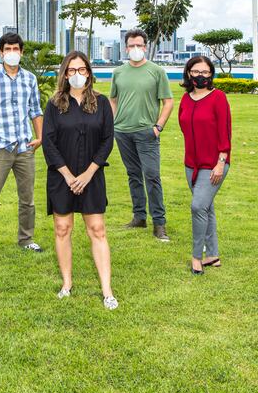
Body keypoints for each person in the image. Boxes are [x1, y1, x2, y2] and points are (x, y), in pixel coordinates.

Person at [42, 51, 118, 310]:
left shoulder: (101, 102)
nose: (77, 75)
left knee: (97, 229)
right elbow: (49, 143)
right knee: (62, 229)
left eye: (82, 69)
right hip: (61, 176)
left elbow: (108, 140)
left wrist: (87, 174)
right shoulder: (54, 105)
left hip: (92, 176)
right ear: (64, 74)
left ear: (89, 72)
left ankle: (107, 290)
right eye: (71, 70)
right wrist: (68, 175)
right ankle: (66, 283)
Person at [0, 32, 44, 257]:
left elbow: (35, 110)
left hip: (24, 148)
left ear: (21, 52)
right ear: (1, 53)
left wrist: (40, 136)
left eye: (16, 49)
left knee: (27, 199)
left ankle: (26, 238)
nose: (12, 53)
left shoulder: (30, 79)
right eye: (7, 50)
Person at [109, 29, 174, 241]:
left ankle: (159, 223)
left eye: (139, 45)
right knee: (133, 175)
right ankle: (139, 217)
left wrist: (158, 127)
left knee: (152, 176)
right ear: (126, 48)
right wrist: (113, 122)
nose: (135, 49)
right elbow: (113, 99)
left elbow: (168, 101)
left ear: (145, 47)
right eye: (131, 45)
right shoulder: (118, 72)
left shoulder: (156, 71)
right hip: (123, 132)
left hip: (147, 133)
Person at [177, 55, 231, 274]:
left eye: (205, 72)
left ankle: (197, 257)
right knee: (206, 208)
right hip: (192, 165)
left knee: (198, 206)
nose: (201, 76)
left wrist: (220, 163)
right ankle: (213, 255)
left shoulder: (218, 98)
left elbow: (225, 134)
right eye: (196, 72)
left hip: (214, 163)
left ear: (211, 74)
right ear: (189, 73)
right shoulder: (185, 99)